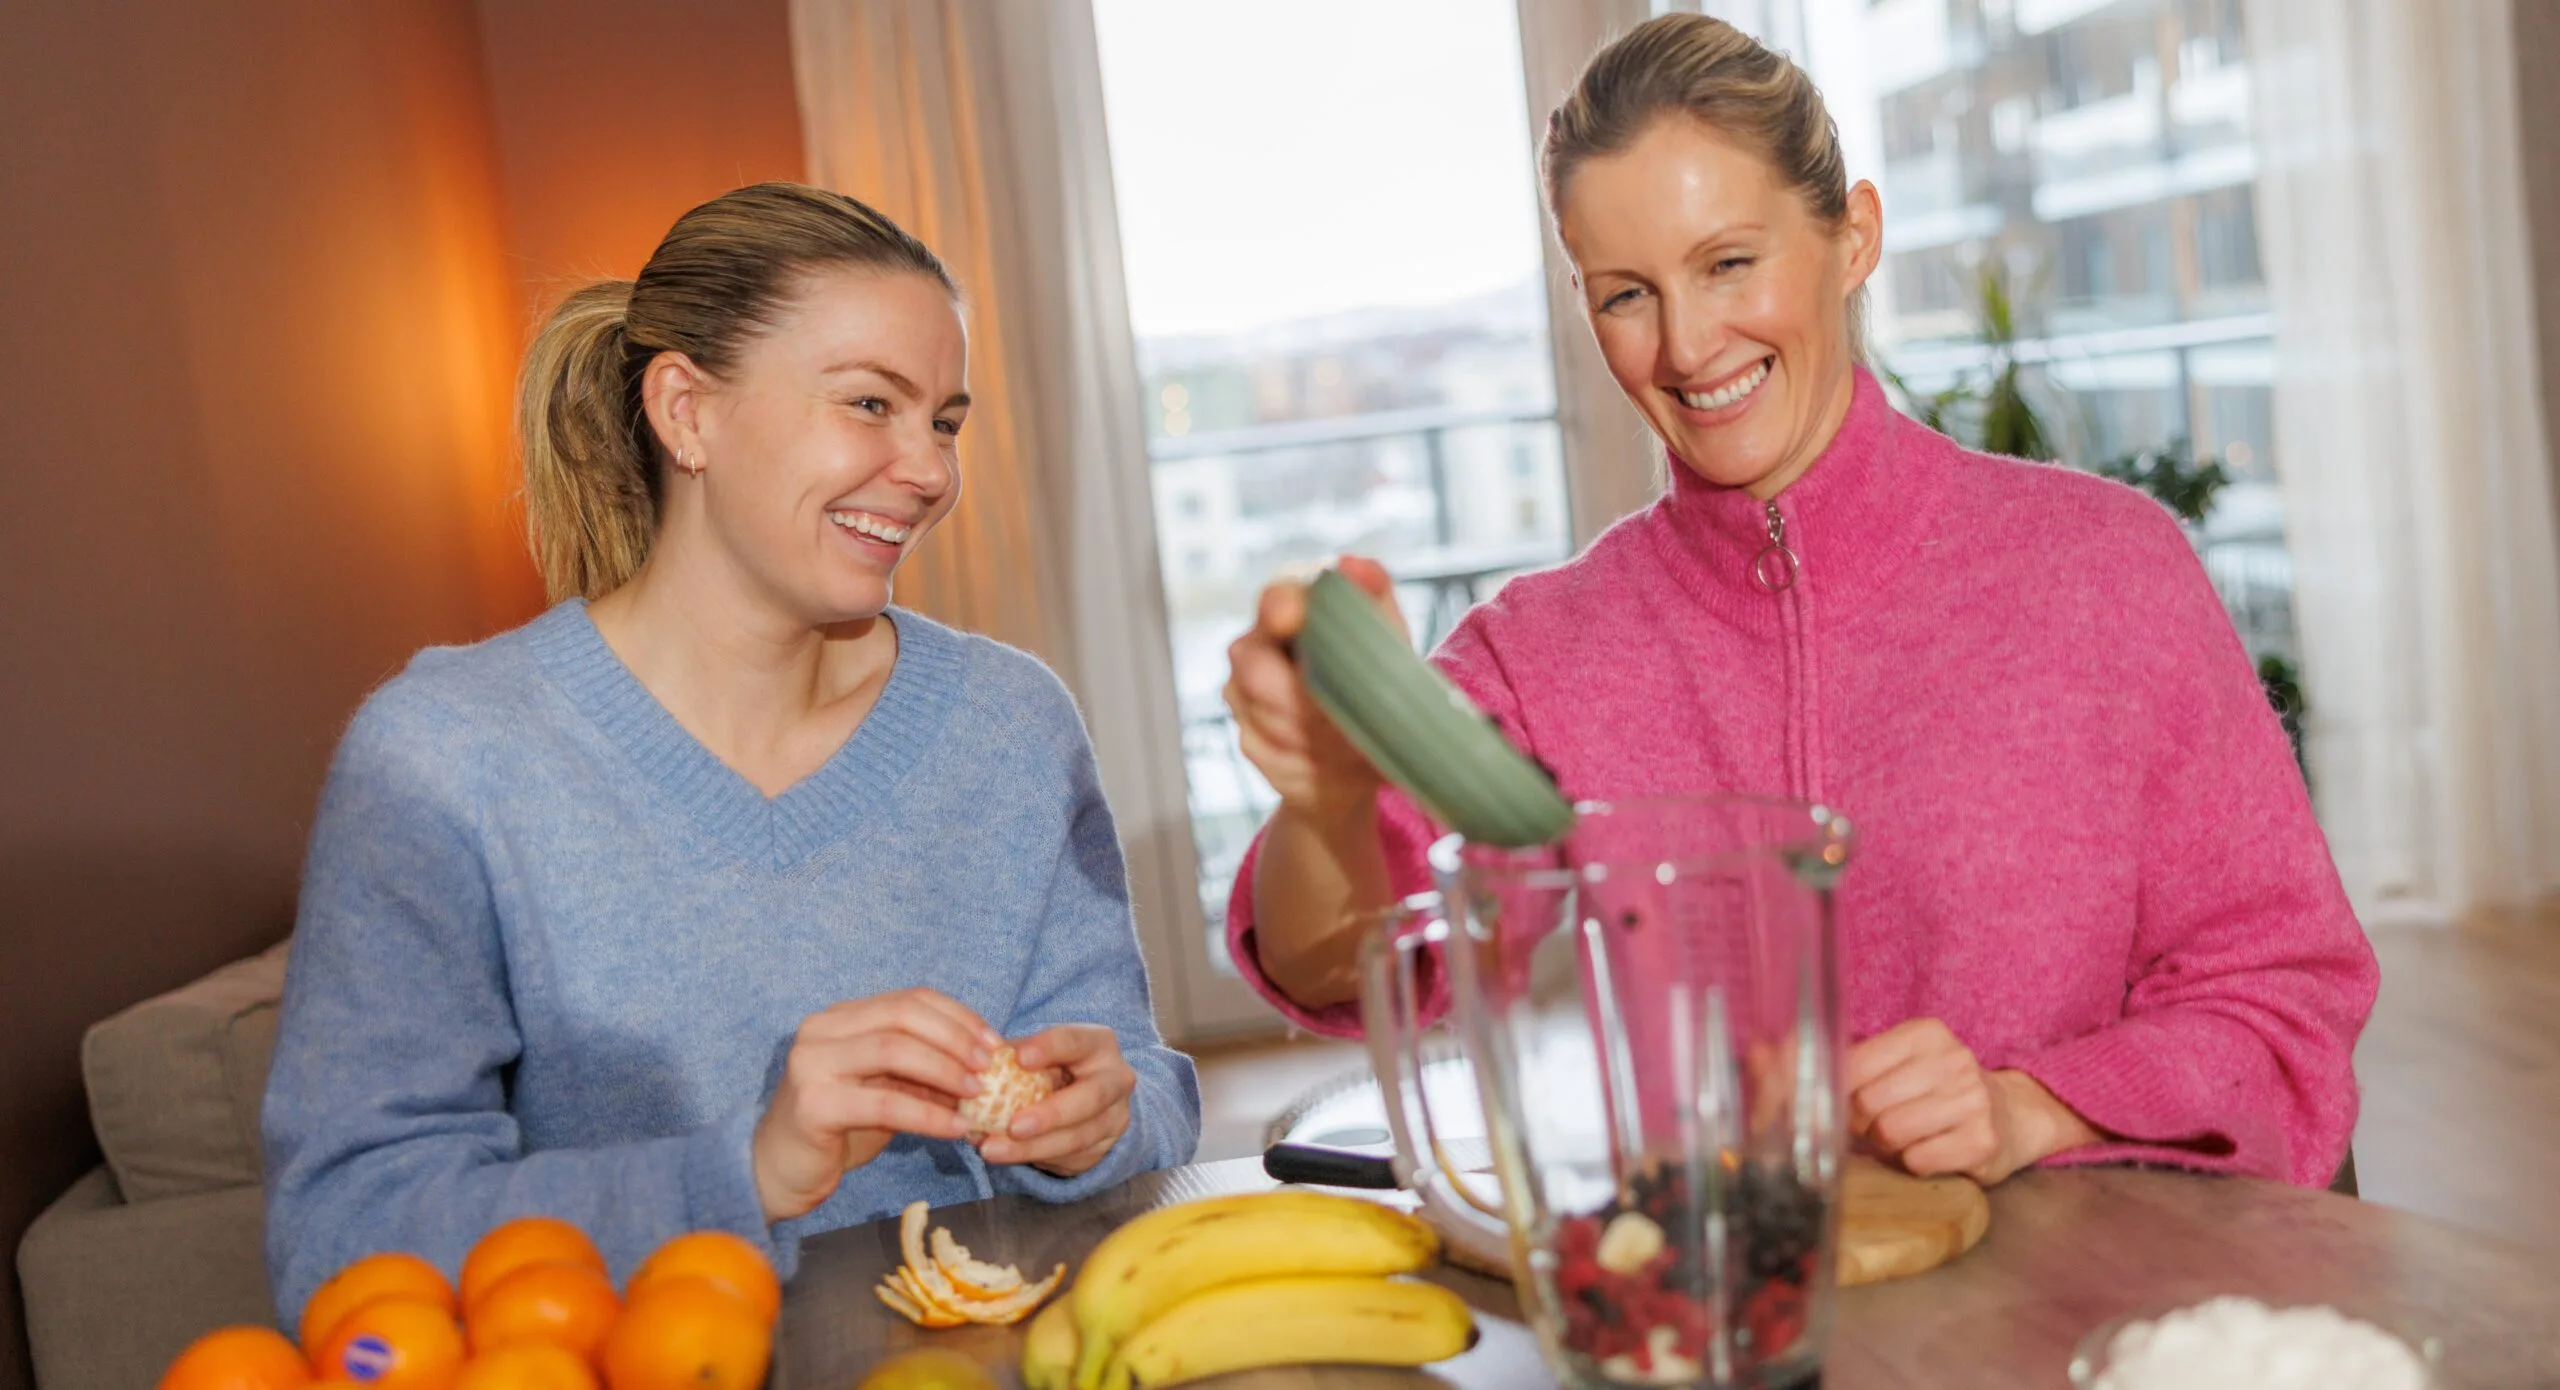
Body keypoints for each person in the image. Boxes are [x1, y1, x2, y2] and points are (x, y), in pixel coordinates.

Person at [1222, 15, 2375, 1190]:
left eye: (1729, 263)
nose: (1684, 343)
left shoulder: (2107, 568)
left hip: (2078, 1325)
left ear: (1852, 235)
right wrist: (1324, 804)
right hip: (1703, 1332)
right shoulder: (1534, 656)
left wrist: (2031, 1108)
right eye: (1625, 295)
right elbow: (1333, 962)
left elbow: (2281, 1000)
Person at [263, 183, 1200, 1322]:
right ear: (686, 413)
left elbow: (1147, 1084)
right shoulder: (444, 759)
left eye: (944, 420)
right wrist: (748, 1172)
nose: (931, 471)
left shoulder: (1012, 723)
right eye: (870, 403)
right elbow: (342, 1234)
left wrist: (1095, 1118)